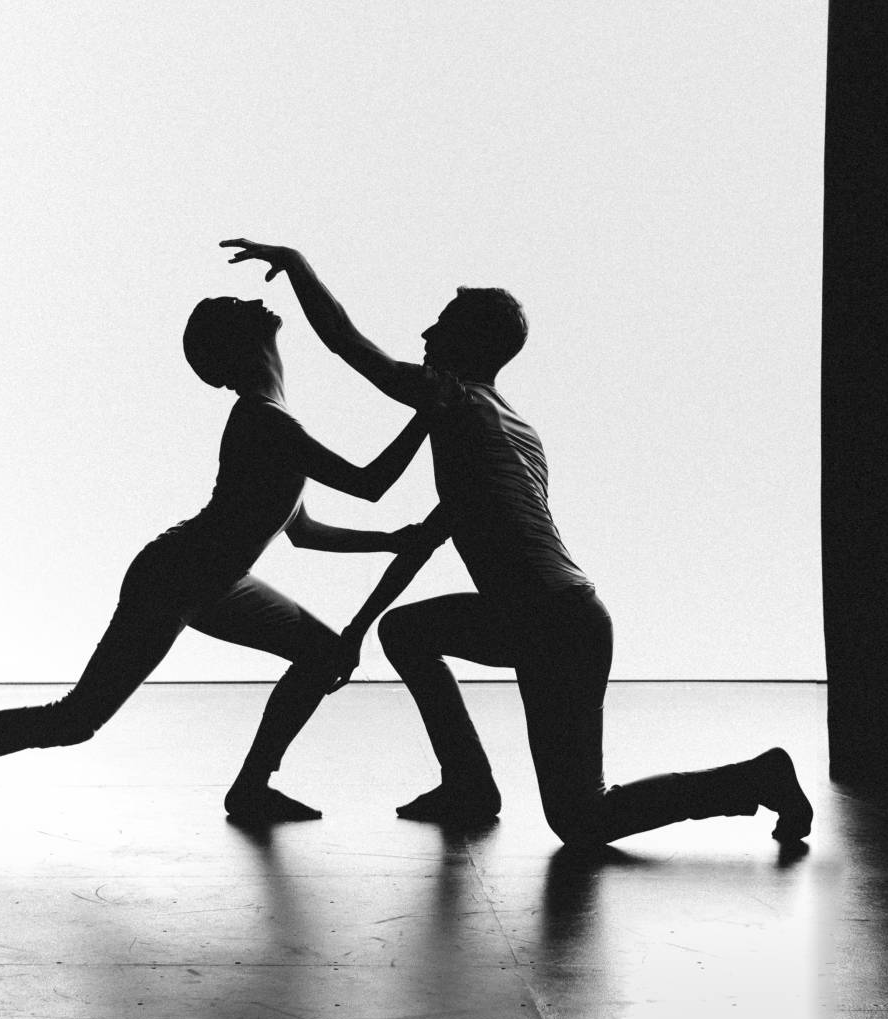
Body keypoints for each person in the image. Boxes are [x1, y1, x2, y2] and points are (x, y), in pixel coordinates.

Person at [220, 239, 813, 848]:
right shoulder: (510, 429)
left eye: (442, 326)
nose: (425, 332)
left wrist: (294, 263)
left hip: (549, 623)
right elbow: (427, 539)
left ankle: (757, 778)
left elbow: (347, 342)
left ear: (471, 345)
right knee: (405, 631)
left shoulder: (455, 402)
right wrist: (359, 627)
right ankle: (469, 785)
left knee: (583, 820)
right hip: (558, 617)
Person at [0, 296, 427, 836]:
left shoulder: (274, 416)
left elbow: (302, 533)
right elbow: (370, 484)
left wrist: (389, 542)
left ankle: (251, 788)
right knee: (76, 719)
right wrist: (431, 410)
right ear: (240, 340)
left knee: (324, 654)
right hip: (174, 576)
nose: (260, 298)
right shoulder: (264, 420)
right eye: (242, 303)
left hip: (218, 581)